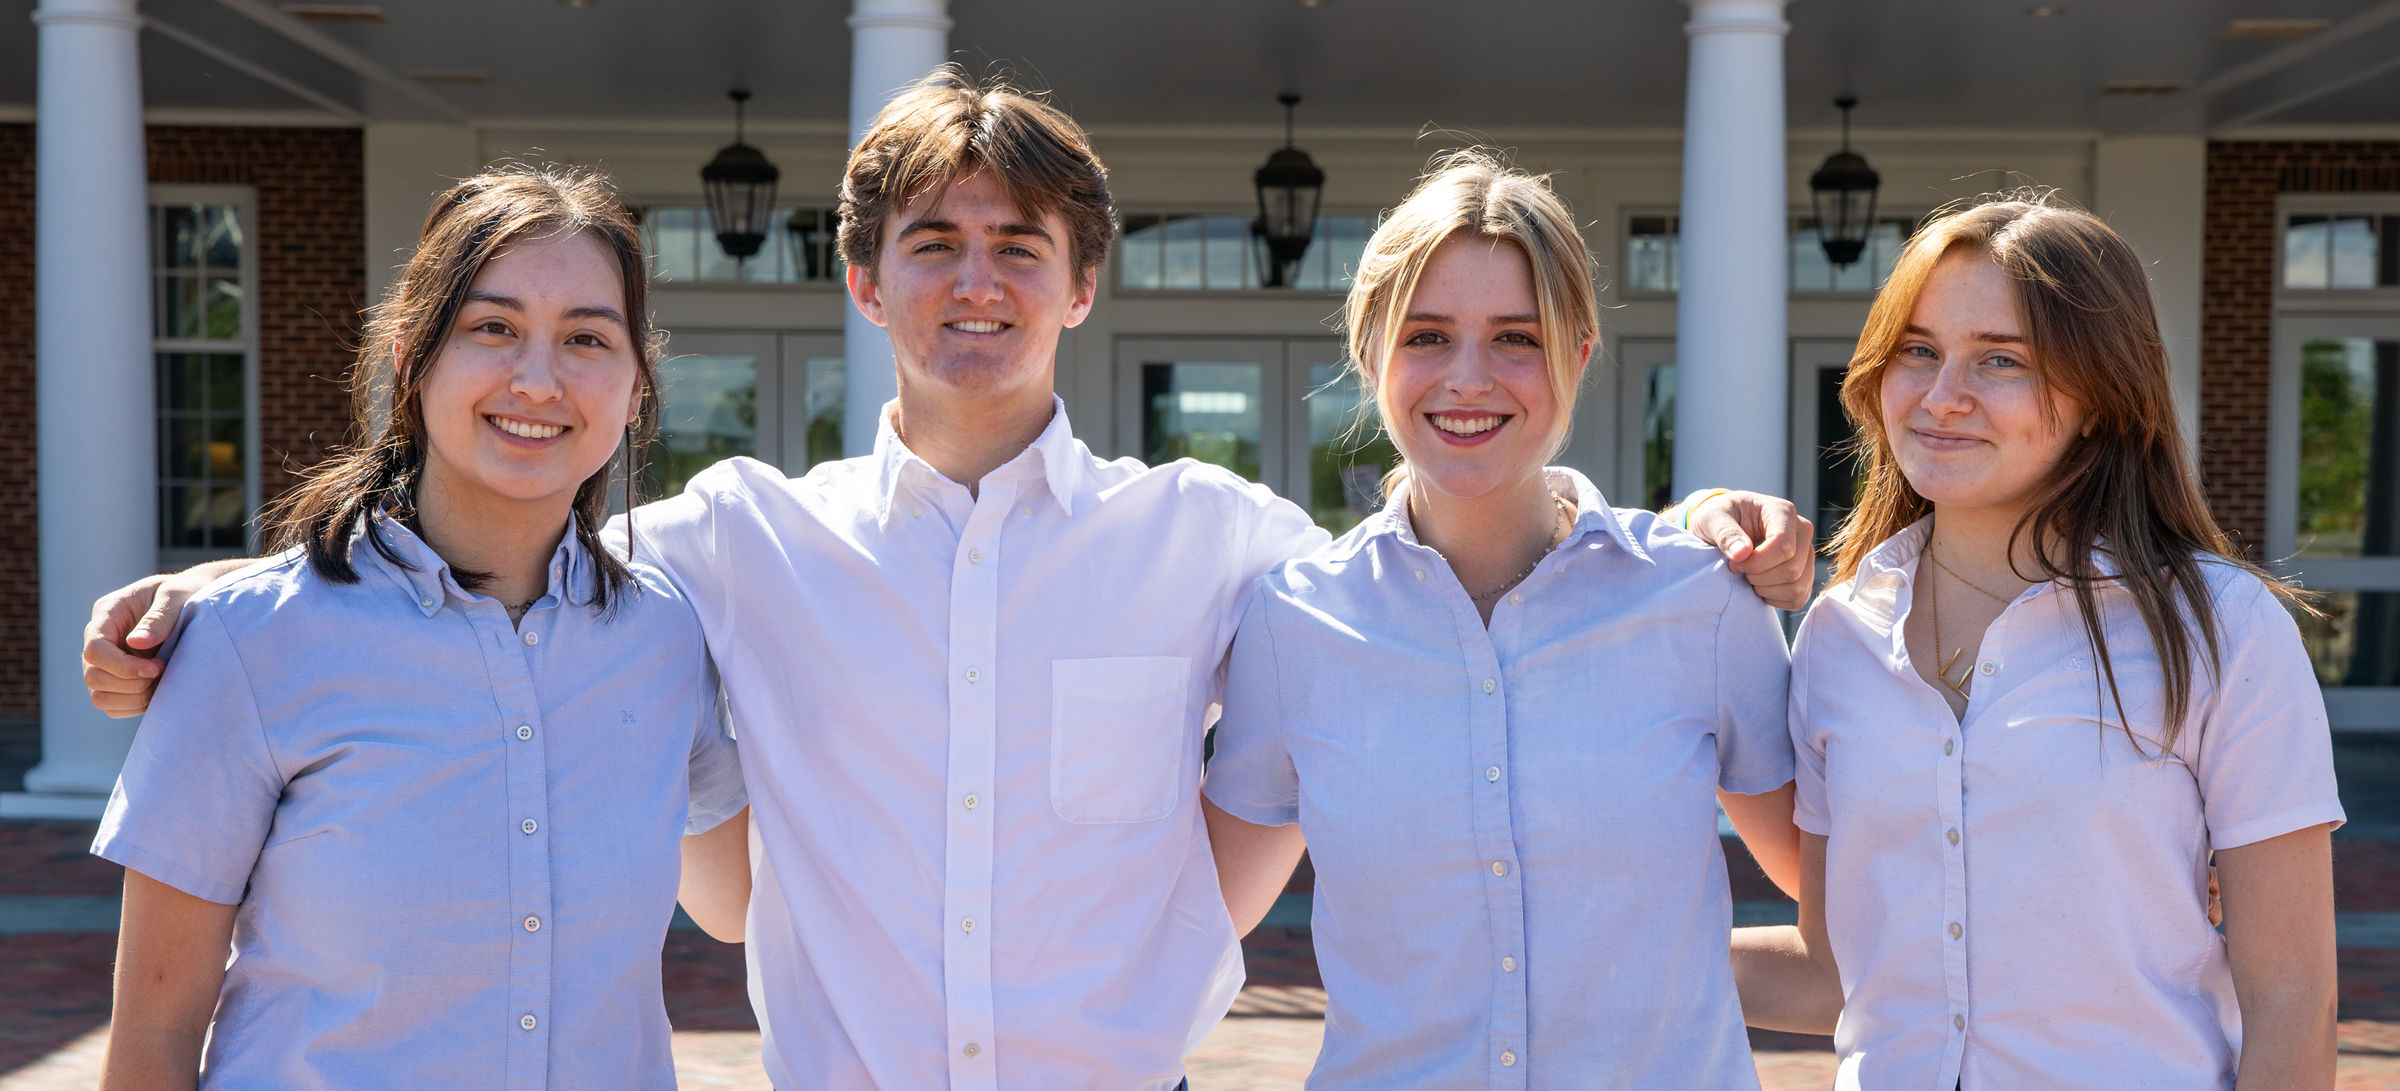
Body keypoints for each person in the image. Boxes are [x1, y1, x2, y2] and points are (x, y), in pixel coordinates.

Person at [83, 73, 1812, 1090]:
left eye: (1018, 247)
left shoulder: (1225, 545)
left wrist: (1688, 524)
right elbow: (495, 529)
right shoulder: (730, 543)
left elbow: (1446, 548)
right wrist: (224, 590)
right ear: (861, 280)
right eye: (933, 243)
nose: (975, 280)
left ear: (1078, 285)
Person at [93, 166, 751, 1089]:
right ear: (412, 355)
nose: (538, 378)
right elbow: (152, 1043)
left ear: (637, 387)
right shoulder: (249, 644)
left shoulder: (664, 635)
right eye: (494, 327)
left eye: (586, 338)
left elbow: (738, 901)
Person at [1201, 152, 1800, 1089]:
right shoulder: (1293, 622)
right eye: (1427, 335)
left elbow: (1846, 893)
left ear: (1580, 354)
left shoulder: (1702, 599)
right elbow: (1196, 914)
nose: (1469, 377)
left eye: (1516, 338)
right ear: (1370, 356)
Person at [1732, 195, 2343, 1088]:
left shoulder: (2221, 632)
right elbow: (1837, 968)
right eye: (1920, 351)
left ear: (2100, 397)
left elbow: (2294, 997)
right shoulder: (1839, 634)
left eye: (2002, 360)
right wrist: (1575, 947)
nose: (1945, 398)